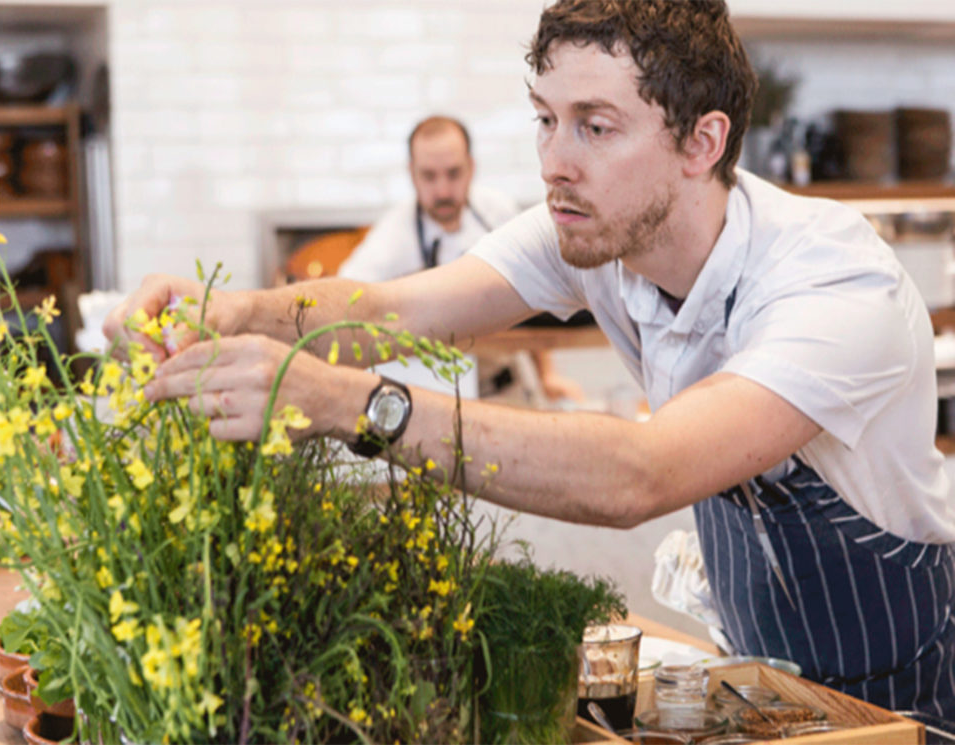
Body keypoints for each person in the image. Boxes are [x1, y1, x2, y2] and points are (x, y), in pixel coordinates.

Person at [106, 0, 955, 719]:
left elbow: (641, 473)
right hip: (761, 696)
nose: (554, 162)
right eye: (546, 120)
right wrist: (234, 310)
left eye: (595, 126)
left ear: (702, 142)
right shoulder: (597, 235)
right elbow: (398, 312)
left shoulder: (835, 284)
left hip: (911, 702)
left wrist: (350, 404)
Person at [338, 114, 584, 403]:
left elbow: (536, 292)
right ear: (411, 174)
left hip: (507, 388)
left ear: (471, 168)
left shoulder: (498, 213)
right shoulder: (392, 237)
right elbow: (347, 303)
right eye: (429, 176)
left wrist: (547, 376)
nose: (442, 190)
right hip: (434, 397)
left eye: (453, 173)